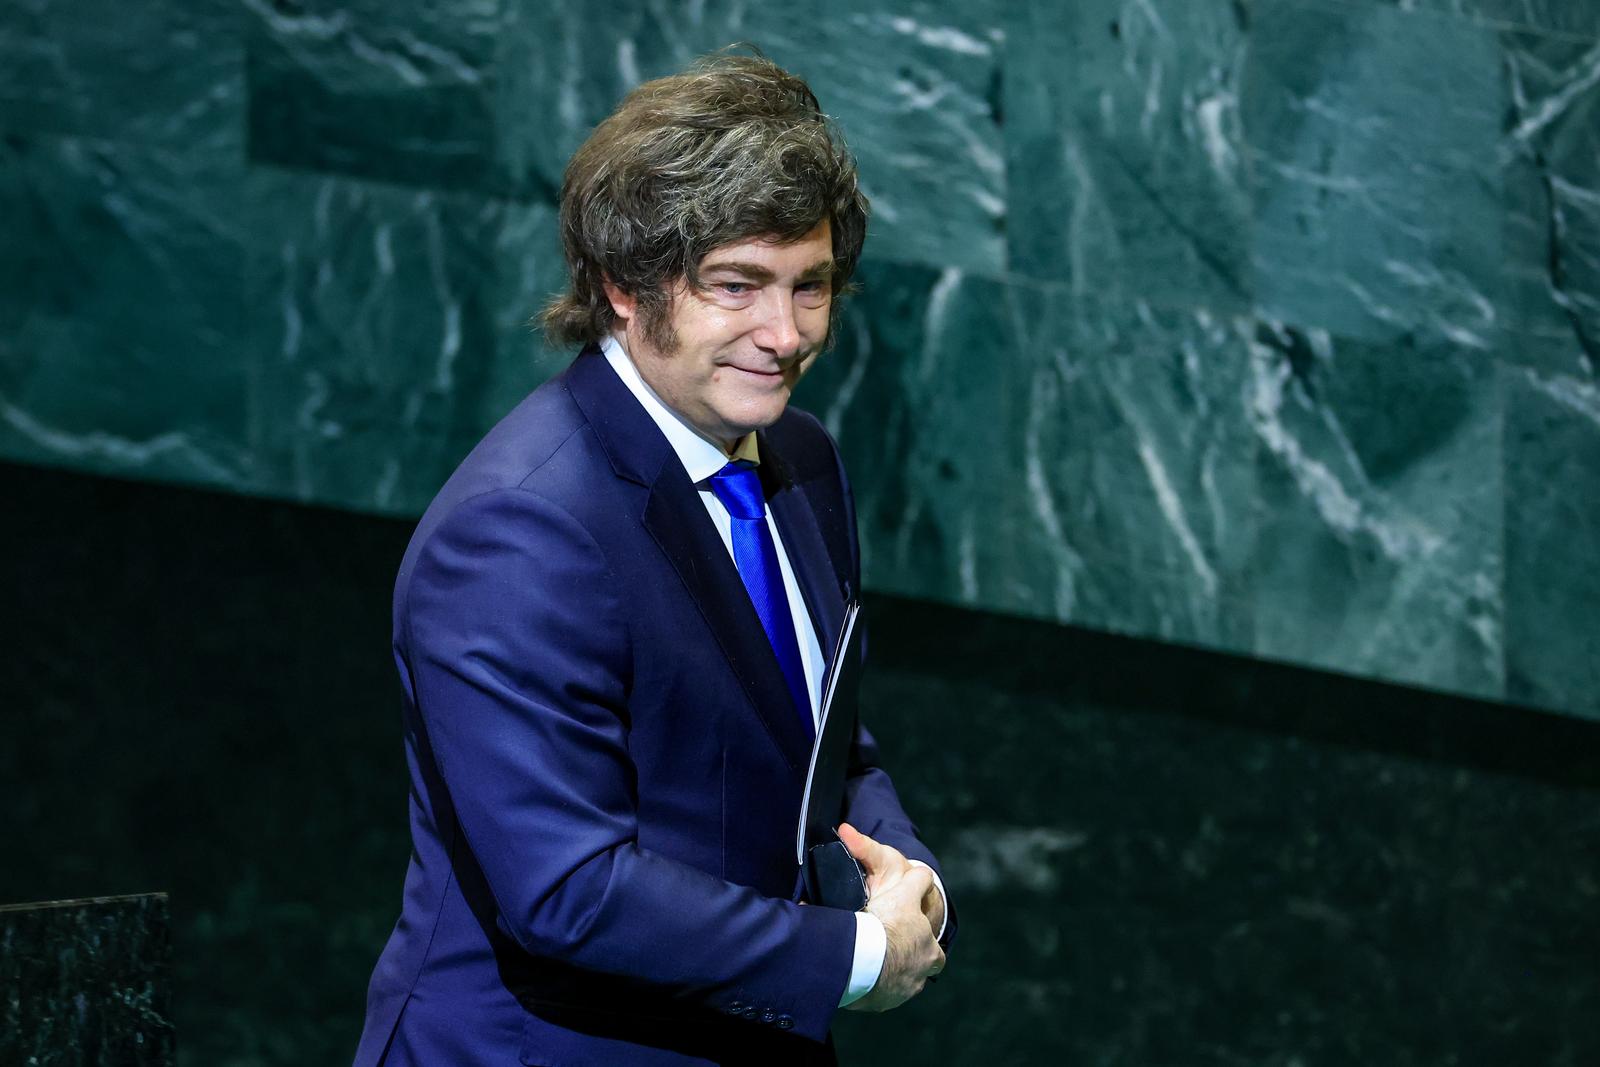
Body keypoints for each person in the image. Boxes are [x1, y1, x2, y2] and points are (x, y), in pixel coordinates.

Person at [353, 51, 954, 1067]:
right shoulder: (516, 531)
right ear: (622, 286)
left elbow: (826, 746)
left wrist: (906, 875)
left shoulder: (803, 461)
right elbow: (567, 886)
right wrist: (852, 953)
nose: (785, 333)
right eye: (737, 286)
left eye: (810, 287)